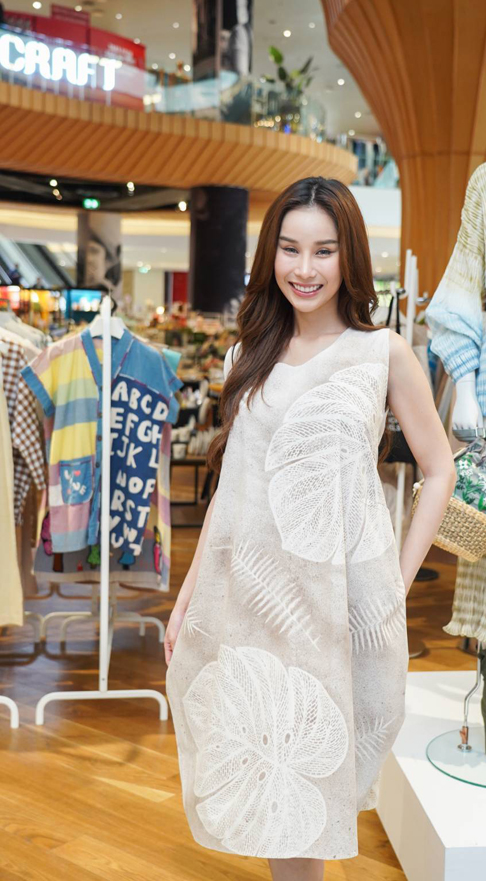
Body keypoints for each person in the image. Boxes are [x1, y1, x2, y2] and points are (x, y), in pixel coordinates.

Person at [165, 176, 456, 879]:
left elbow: (439, 468)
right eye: (290, 248)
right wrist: (187, 595)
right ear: (270, 254)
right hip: (251, 601)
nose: (304, 268)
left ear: (348, 256)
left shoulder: (382, 352)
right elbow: (233, 491)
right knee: (272, 772)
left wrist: (395, 586)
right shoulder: (245, 356)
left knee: (313, 777)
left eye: (323, 251)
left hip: (336, 604)